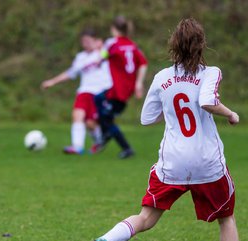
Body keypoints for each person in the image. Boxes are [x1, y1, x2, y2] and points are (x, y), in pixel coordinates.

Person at [94, 18, 240, 241]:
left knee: (145, 219)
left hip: (173, 161)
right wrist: (230, 114)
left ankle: (106, 239)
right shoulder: (210, 72)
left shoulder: (162, 77)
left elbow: (146, 118)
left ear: (174, 45)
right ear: (201, 45)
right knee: (226, 219)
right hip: (206, 161)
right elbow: (207, 101)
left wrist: (170, 109)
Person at [41, 29, 112, 154]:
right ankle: (77, 146)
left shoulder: (103, 53)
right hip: (84, 91)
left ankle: (99, 142)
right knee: (77, 116)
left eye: (88, 41)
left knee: (90, 124)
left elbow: (107, 55)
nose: (85, 44)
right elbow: (70, 73)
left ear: (96, 41)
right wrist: (52, 81)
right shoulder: (80, 57)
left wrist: (101, 49)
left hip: (99, 93)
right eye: (83, 41)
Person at [92, 16, 148, 159]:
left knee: (107, 119)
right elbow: (143, 63)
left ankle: (122, 145)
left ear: (114, 29)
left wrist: (100, 50)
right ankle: (106, 135)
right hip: (125, 89)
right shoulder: (132, 45)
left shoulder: (112, 43)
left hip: (118, 91)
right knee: (98, 99)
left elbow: (101, 58)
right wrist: (139, 83)